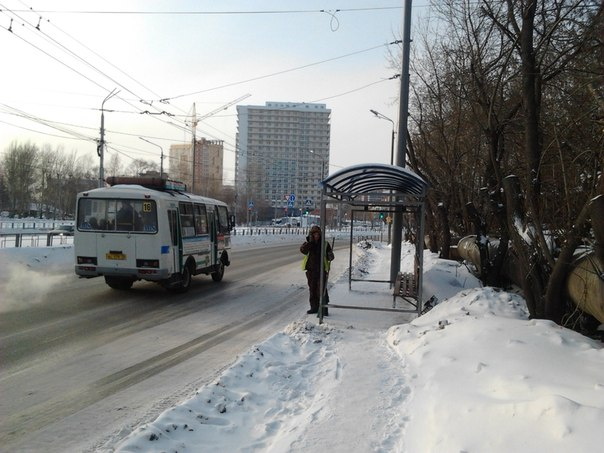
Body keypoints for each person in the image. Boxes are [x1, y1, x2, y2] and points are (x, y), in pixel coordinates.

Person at [300, 225, 334, 316]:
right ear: (311, 235)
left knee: (322, 290)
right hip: (311, 271)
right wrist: (310, 242)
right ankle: (314, 307)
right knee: (312, 289)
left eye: (318, 234)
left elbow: (330, 255)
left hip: (321, 270)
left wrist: (330, 255)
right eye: (314, 234)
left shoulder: (325, 244)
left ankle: (324, 309)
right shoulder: (308, 244)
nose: (316, 236)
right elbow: (303, 250)